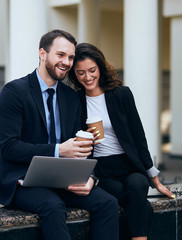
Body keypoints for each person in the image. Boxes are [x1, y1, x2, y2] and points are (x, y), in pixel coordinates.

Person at [0, 30, 119, 240]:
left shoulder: (71, 97)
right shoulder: (14, 92)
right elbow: (10, 147)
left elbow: (81, 145)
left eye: (70, 57)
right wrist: (59, 150)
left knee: (108, 203)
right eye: (61, 55)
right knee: (52, 205)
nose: (67, 62)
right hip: (23, 179)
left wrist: (90, 178)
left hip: (64, 178)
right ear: (43, 53)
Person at [68, 42, 175, 240]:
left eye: (92, 70)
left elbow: (138, 136)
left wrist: (154, 177)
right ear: (74, 74)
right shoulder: (75, 100)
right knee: (134, 200)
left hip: (128, 163)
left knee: (137, 186)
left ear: (100, 67)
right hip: (101, 168)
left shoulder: (121, 94)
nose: (88, 77)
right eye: (81, 73)